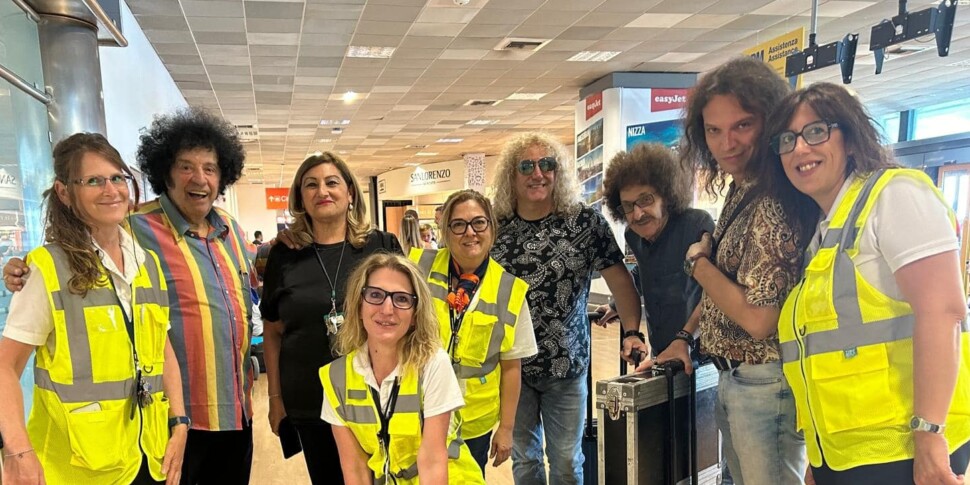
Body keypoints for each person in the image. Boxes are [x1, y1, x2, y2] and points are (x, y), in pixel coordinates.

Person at [4, 107, 257, 484]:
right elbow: (75, 244)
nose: (200, 178)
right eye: (186, 166)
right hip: (126, 437)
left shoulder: (230, 231)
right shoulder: (136, 225)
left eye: (210, 167)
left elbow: (164, 335)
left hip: (221, 413)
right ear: (165, 174)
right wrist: (22, 267)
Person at [766, 82, 970, 485]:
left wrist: (930, 433)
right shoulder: (828, 231)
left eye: (816, 132)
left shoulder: (895, 195)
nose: (800, 149)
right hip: (849, 458)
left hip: (903, 448)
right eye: (787, 139)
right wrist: (819, 458)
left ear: (852, 138)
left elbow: (942, 311)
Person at [0, 133, 187, 485]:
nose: (111, 190)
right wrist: (17, 451)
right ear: (64, 192)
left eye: (117, 177)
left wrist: (179, 421)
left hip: (145, 453)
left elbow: (162, 349)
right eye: (93, 181)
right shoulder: (47, 268)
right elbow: (5, 367)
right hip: (77, 465)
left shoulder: (145, 263)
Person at [658, 56, 811, 485]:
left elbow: (760, 319)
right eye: (714, 130)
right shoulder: (744, 186)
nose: (727, 143)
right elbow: (727, 292)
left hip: (765, 383)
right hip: (736, 378)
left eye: (743, 125)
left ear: (772, 120)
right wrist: (685, 337)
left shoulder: (774, 199)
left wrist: (697, 264)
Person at [490, 132, 646, 485]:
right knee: (524, 460)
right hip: (510, 366)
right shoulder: (495, 225)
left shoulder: (585, 223)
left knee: (565, 461)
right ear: (510, 176)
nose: (538, 174)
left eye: (547, 164)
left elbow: (621, 281)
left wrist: (633, 331)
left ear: (558, 172)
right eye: (526, 166)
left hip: (567, 363)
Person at [260, 152, 401, 484]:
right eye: (311, 185)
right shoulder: (284, 253)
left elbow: (408, 316)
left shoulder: (380, 246)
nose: (322, 190)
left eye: (331, 182)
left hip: (376, 397)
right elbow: (272, 331)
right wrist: (275, 399)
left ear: (350, 192)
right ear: (301, 199)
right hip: (311, 399)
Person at [319, 253, 484, 485]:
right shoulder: (336, 378)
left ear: (415, 314)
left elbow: (433, 461)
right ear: (358, 306)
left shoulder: (433, 363)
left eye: (402, 299)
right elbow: (355, 468)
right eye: (375, 295)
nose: (387, 309)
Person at [408, 189, 538, 473]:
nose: (470, 233)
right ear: (446, 230)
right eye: (458, 224)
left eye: (479, 223)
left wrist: (506, 428)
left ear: (491, 228)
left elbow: (512, 367)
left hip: (473, 421)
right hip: (416, 410)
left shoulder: (510, 290)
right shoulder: (417, 268)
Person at [598, 143, 714, 358]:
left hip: (701, 355)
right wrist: (616, 305)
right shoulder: (634, 235)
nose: (638, 213)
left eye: (646, 200)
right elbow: (645, 272)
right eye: (628, 206)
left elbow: (717, 293)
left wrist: (686, 338)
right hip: (662, 353)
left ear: (666, 196)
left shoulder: (695, 225)